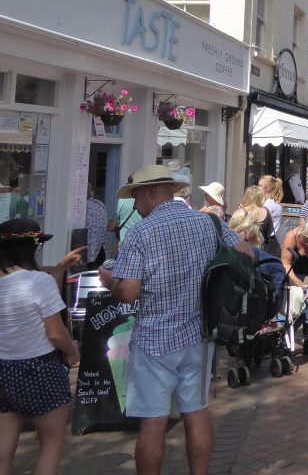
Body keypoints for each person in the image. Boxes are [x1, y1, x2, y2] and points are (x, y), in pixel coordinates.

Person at [97, 165, 253, 475]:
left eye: (137, 196)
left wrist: (107, 281)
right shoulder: (208, 222)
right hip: (198, 335)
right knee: (196, 413)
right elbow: (247, 253)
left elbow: (128, 293)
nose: (136, 204)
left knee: (153, 423)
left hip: (155, 339)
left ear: (153, 192)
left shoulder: (142, 233)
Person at [0, 218, 79, 475]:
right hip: (39, 368)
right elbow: (56, 334)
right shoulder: (38, 282)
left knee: (3, 445)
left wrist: (60, 267)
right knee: (51, 444)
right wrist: (72, 352)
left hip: (2, 369)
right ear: (32, 249)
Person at [237, 185, 278, 257]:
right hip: (263, 251)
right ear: (261, 197)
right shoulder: (267, 212)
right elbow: (271, 231)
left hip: (244, 250)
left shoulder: (241, 212)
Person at [84, 183, 115, 269]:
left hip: (87, 251)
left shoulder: (82, 206)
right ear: (91, 192)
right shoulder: (100, 204)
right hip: (101, 249)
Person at [258, 175, 285, 249]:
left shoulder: (269, 204)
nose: (258, 188)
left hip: (267, 242)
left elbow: (263, 223)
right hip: (272, 241)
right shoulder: (273, 202)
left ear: (267, 188)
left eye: (260, 186)